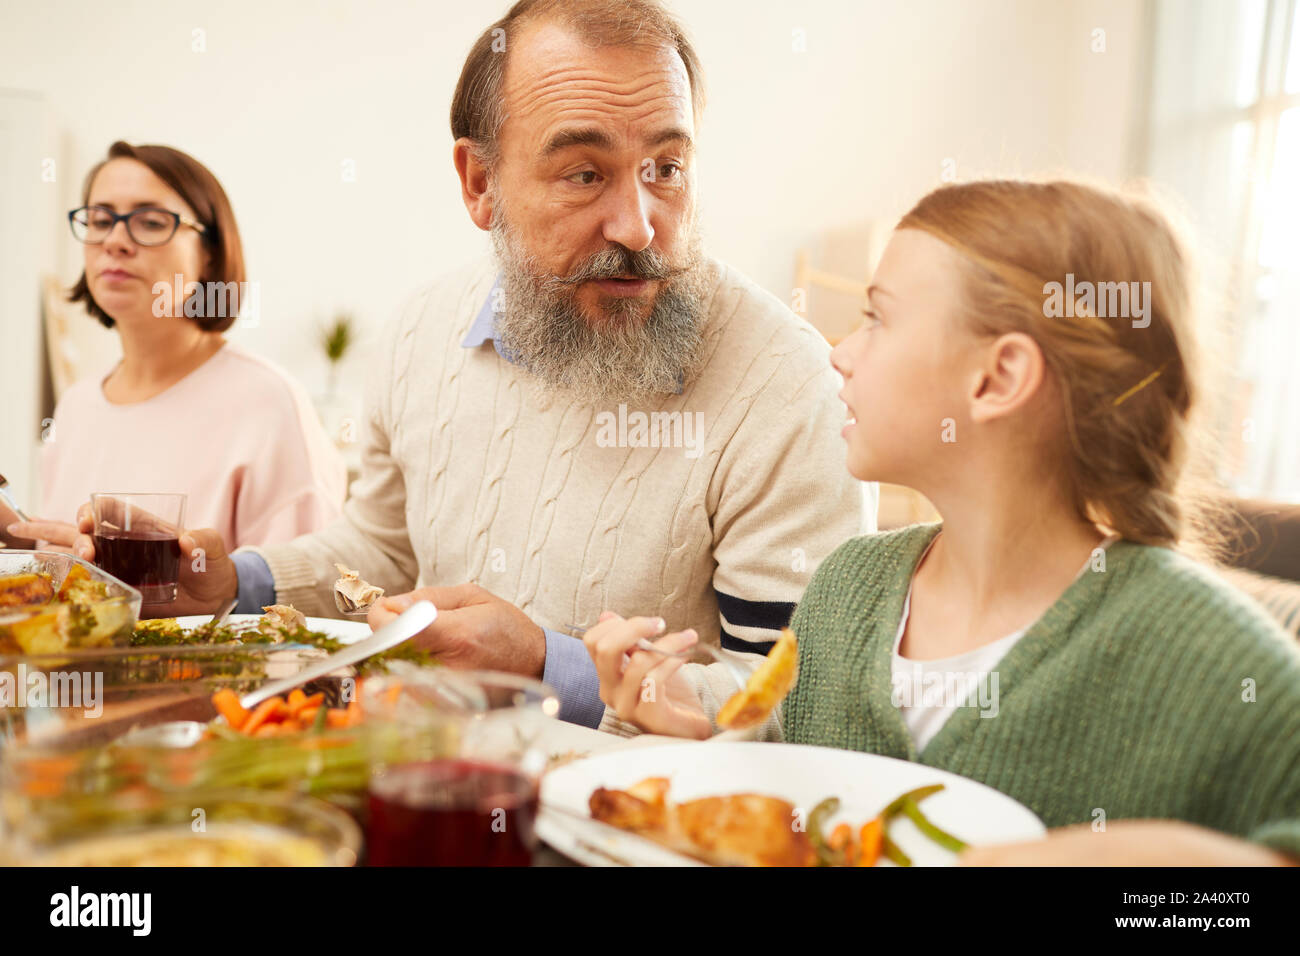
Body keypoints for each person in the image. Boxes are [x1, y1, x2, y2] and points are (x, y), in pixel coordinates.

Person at [64, 0, 873, 728]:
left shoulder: (785, 383)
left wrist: (549, 669)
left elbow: (797, 706)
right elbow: (382, 551)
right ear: (479, 181)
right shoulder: (421, 331)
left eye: (666, 167)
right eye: (585, 173)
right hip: (431, 793)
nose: (638, 225)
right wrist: (232, 584)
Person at [584, 179, 1300, 865]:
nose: (841, 352)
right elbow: (789, 782)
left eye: (878, 317)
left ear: (997, 379)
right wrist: (701, 725)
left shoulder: (1219, 663)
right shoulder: (846, 591)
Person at [8, 141, 347, 553]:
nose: (115, 240)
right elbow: (71, 571)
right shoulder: (76, 406)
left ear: (209, 253)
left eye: (150, 223)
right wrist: (18, 535)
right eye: (99, 220)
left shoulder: (269, 403)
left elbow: (297, 600)